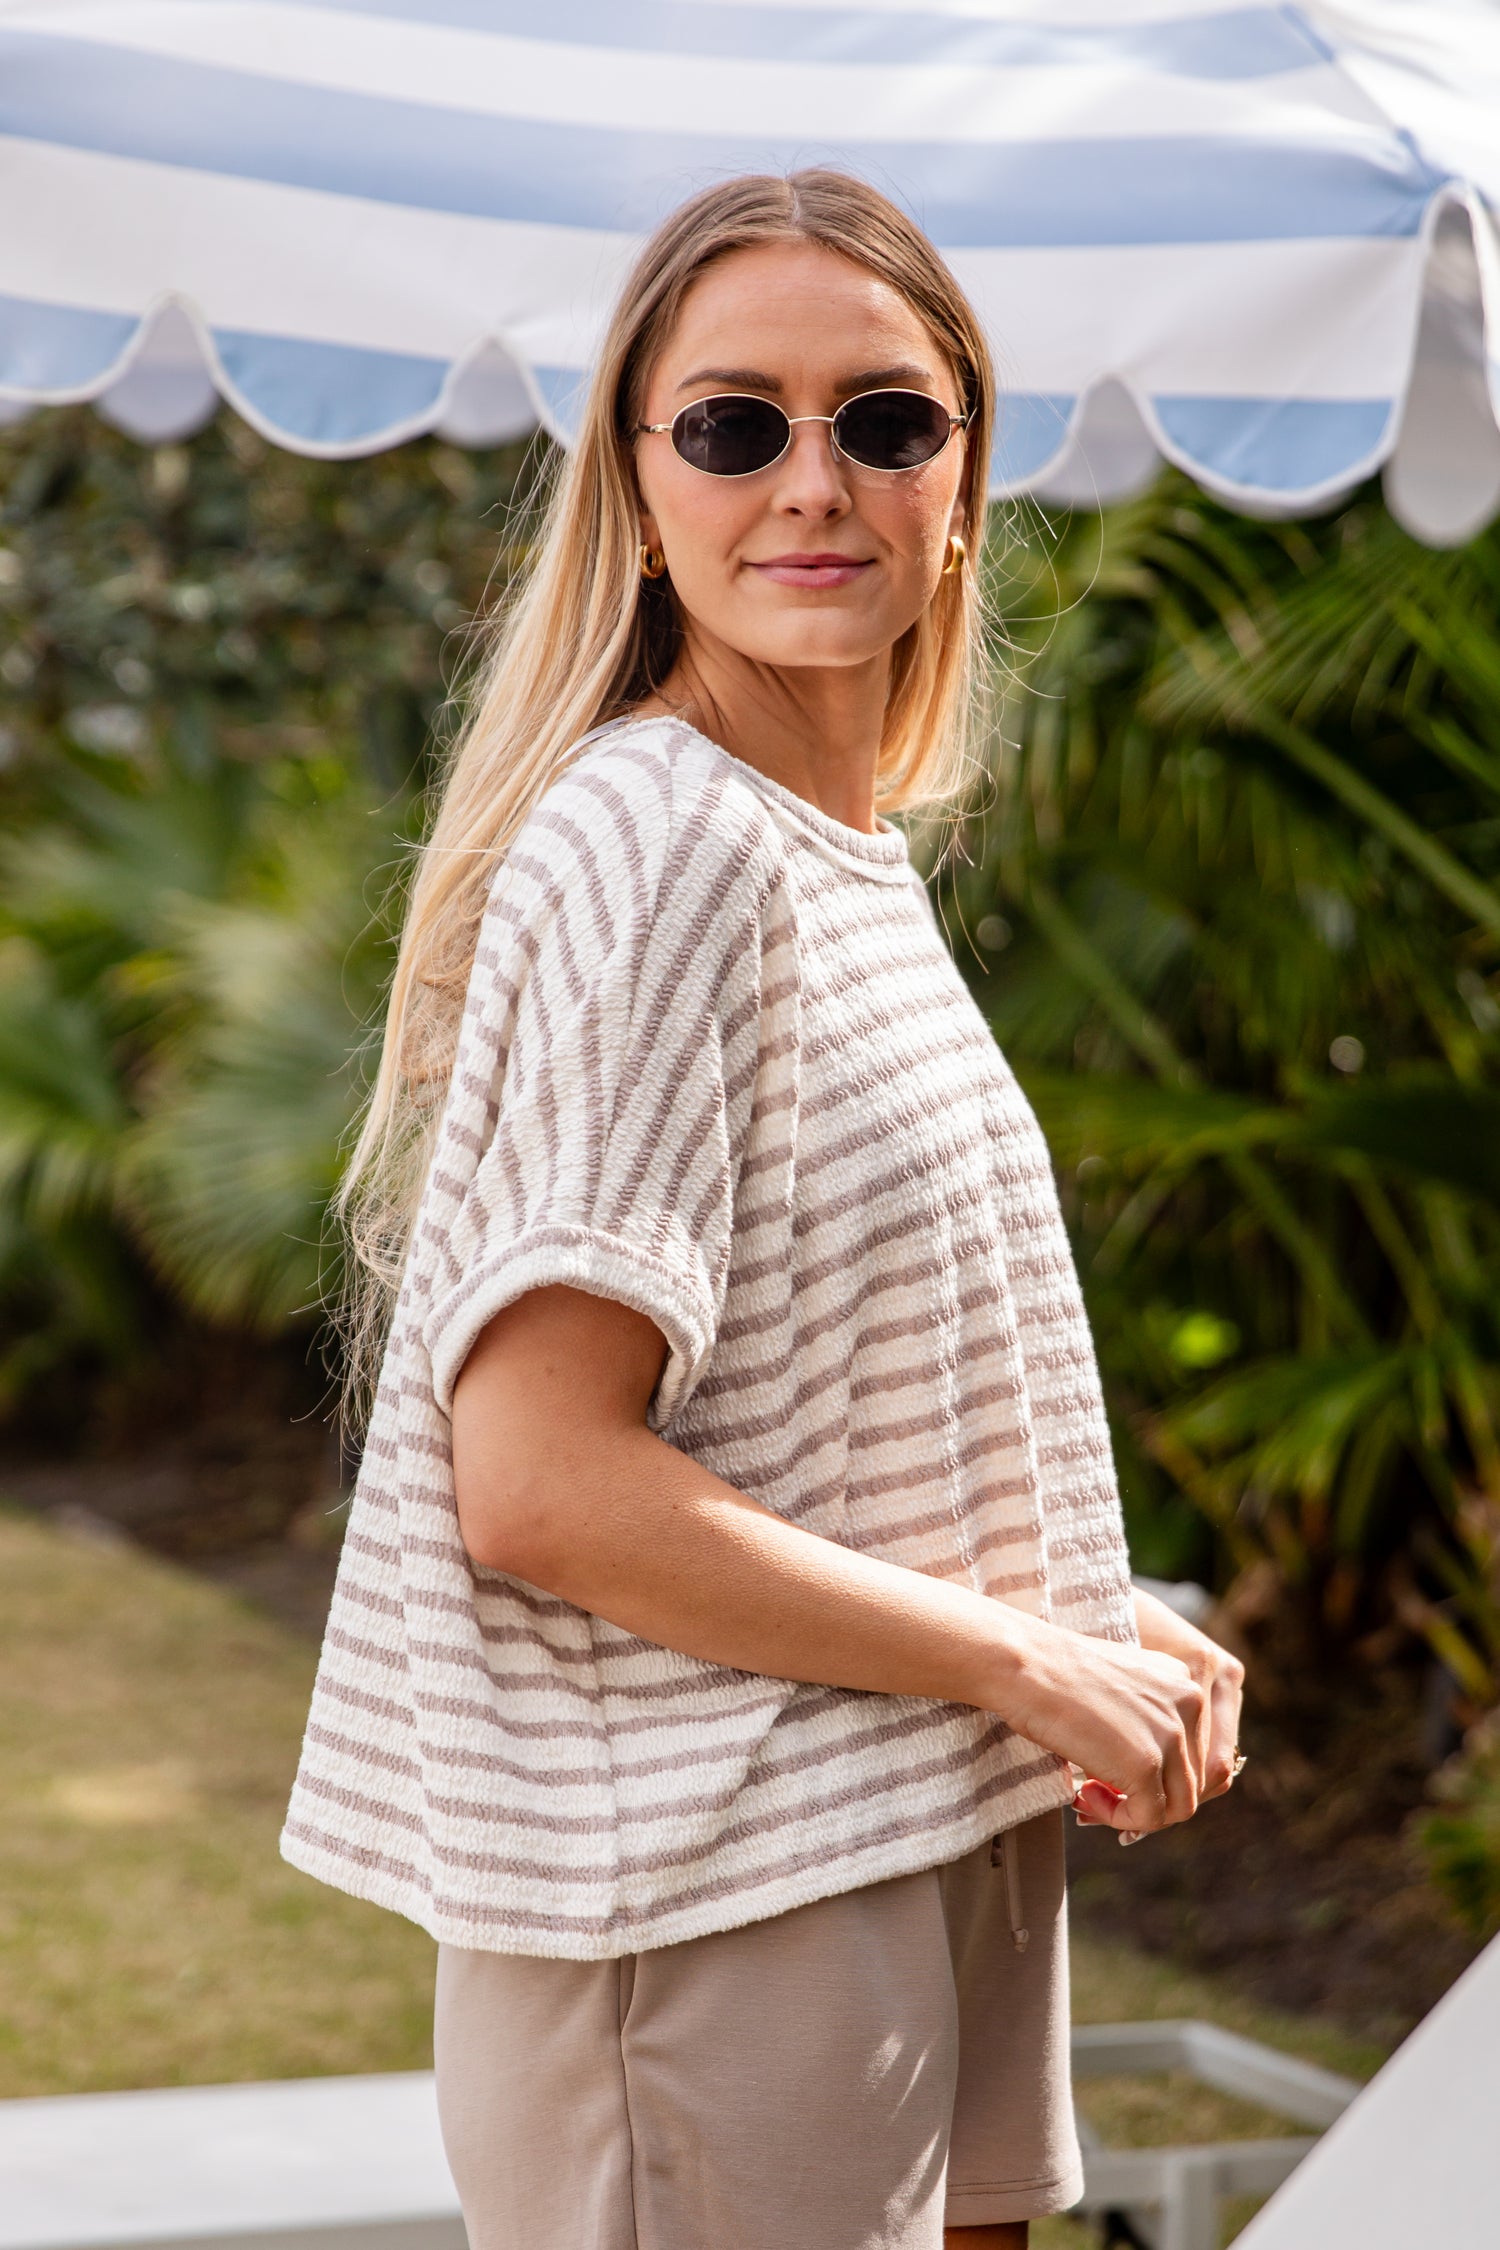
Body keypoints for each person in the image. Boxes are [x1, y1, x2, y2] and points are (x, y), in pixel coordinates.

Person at [282, 169, 1245, 2250]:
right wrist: (1023, 1657)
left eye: (885, 421)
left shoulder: (829, 850)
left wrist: (1097, 1632)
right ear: (638, 487)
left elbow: (841, 1424)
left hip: (894, 1832)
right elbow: (539, 1483)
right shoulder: (656, 843)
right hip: (712, 1894)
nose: (815, 481)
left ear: (966, 475)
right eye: (734, 424)